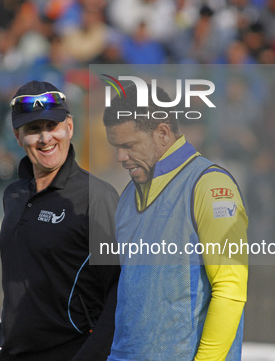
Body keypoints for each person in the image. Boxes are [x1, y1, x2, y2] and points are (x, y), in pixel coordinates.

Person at [103, 83, 248, 360]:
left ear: (162, 133)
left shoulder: (210, 186)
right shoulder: (127, 196)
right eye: (116, 147)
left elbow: (231, 289)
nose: (121, 157)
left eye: (129, 145)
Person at [0, 81, 120, 360]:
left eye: (52, 126)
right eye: (33, 129)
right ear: (18, 136)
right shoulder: (13, 195)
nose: (45, 138)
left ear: (70, 127)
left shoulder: (96, 197)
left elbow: (120, 293)